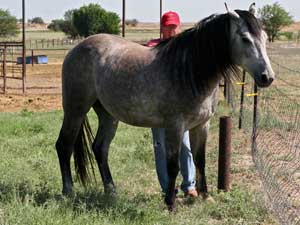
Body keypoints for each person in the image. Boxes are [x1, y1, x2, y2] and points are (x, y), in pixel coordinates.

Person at [145, 11, 198, 198]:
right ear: (161, 29)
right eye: (167, 27)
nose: (170, 31)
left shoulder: (187, 48)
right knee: (160, 147)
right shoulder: (152, 47)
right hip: (156, 109)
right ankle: (167, 187)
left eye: (173, 27)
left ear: (179, 27)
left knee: (184, 145)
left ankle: (189, 185)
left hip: (178, 109)